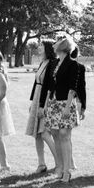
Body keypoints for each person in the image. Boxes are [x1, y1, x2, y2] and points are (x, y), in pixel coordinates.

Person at [39, 35, 79, 183]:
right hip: (54, 103)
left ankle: (67, 170)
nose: (53, 44)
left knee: (64, 135)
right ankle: (61, 168)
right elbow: (50, 85)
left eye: (56, 42)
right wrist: (46, 104)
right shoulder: (54, 63)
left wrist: (68, 107)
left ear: (62, 46)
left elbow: (72, 87)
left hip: (65, 103)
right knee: (55, 134)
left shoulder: (72, 64)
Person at [25, 39, 59, 174]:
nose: (39, 47)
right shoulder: (42, 63)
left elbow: (50, 86)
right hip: (37, 99)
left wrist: (42, 105)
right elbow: (36, 84)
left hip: (46, 101)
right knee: (37, 134)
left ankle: (59, 162)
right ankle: (41, 164)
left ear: (48, 48)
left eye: (41, 45)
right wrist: (33, 102)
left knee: (45, 133)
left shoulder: (52, 63)